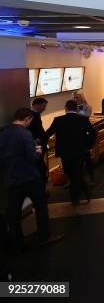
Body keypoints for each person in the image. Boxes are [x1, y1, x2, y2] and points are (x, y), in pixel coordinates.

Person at [0, 108, 64, 252]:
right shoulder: (25, 134)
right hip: (29, 177)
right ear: (27, 119)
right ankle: (44, 237)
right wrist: (38, 151)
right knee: (41, 207)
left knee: (14, 213)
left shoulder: (3, 133)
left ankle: (18, 243)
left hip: (11, 179)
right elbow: (32, 157)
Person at [46, 100, 96, 206]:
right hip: (80, 151)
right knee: (76, 173)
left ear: (66, 108)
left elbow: (48, 133)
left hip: (65, 152)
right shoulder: (83, 119)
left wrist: (39, 141)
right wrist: (88, 145)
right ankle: (85, 188)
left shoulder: (58, 120)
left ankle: (75, 198)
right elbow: (93, 133)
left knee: (71, 172)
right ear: (76, 108)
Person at [28, 97, 49, 184]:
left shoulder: (35, 114)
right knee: (40, 167)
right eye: (43, 106)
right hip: (36, 145)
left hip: (38, 144)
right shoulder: (32, 115)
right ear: (37, 105)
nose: (44, 109)